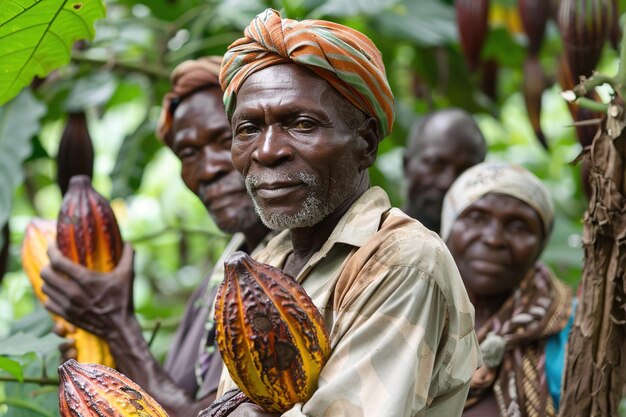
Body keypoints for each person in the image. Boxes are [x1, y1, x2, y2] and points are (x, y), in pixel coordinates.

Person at [206, 8, 480, 417]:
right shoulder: (266, 261)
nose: (267, 151)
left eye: (300, 123)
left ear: (365, 143)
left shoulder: (403, 260)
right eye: (248, 129)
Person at [40, 57, 270, 417]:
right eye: (189, 153)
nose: (208, 169)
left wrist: (118, 326)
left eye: (225, 139)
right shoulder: (230, 261)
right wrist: (99, 370)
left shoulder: (294, 268)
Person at [439, 161, 574, 417]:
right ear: (448, 227)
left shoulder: (572, 330)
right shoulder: (406, 308)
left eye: (518, 226)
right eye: (477, 218)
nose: (493, 239)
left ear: (541, 244)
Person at [403, 108, 487, 234]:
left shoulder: (487, 247)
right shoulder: (371, 243)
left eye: (465, 171)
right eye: (435, 164)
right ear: (407, 165)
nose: (447, 183)